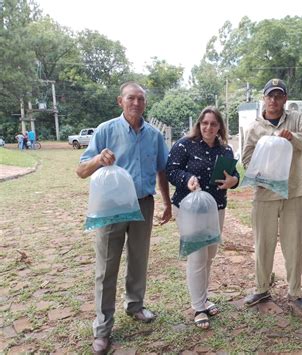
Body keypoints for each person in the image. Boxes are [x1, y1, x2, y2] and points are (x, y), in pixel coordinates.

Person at [76, 82, 172, 354]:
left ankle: (135, 306)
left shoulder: (154, 135)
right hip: (112, 207)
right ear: (121, 101)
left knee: (139, 260)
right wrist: (98, 160)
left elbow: (162, 171)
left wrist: (166, 202)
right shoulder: (106, 130)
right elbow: (81, 170)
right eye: (131, 98)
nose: (136, 103)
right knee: (107, 267)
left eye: (141, 99)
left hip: (143, 204)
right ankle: (103, 328)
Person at [241, 79, 302, 311]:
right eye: (269, 96)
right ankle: (262, 288)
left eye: (278, 96)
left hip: (294, 191)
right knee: (262, 243)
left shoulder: (295, 119)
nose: (273, 100)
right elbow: (246, 159)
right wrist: (263, 171)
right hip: (265, 193)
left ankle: (295, 292)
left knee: (294, 244)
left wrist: (292, 137)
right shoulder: (254, 127)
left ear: (284, 99)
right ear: (264, 99)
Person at [166, 106, 239, 329]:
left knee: (209, 255)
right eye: (204, 123)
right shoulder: (183, 145)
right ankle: (198, 307)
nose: (208, 127)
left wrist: (233, 181)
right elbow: (171, 170)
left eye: (213, 124)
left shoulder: (225, 150)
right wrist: (187, 178)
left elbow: (234, 175)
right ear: (199, 124)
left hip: (216, 208)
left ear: (220, 127)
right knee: (197, 257)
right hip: (190, 209)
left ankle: (204, 298)